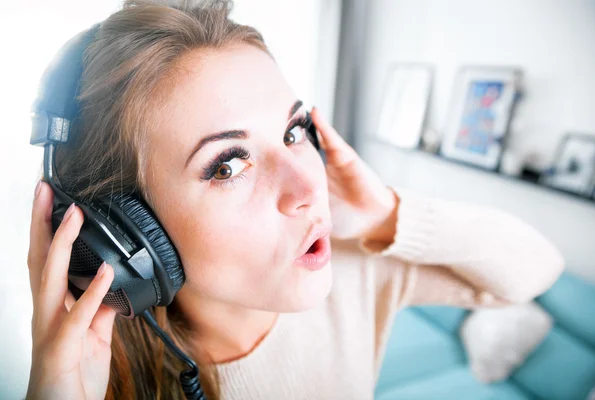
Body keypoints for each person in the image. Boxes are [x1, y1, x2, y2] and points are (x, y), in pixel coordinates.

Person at [25, 1, 565, 399]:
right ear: (128, 234)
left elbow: (536, 270)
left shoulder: (356, 272)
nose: (311, 189)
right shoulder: (97, 379)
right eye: (228, 165)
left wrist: (390, 215)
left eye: (293, 132)